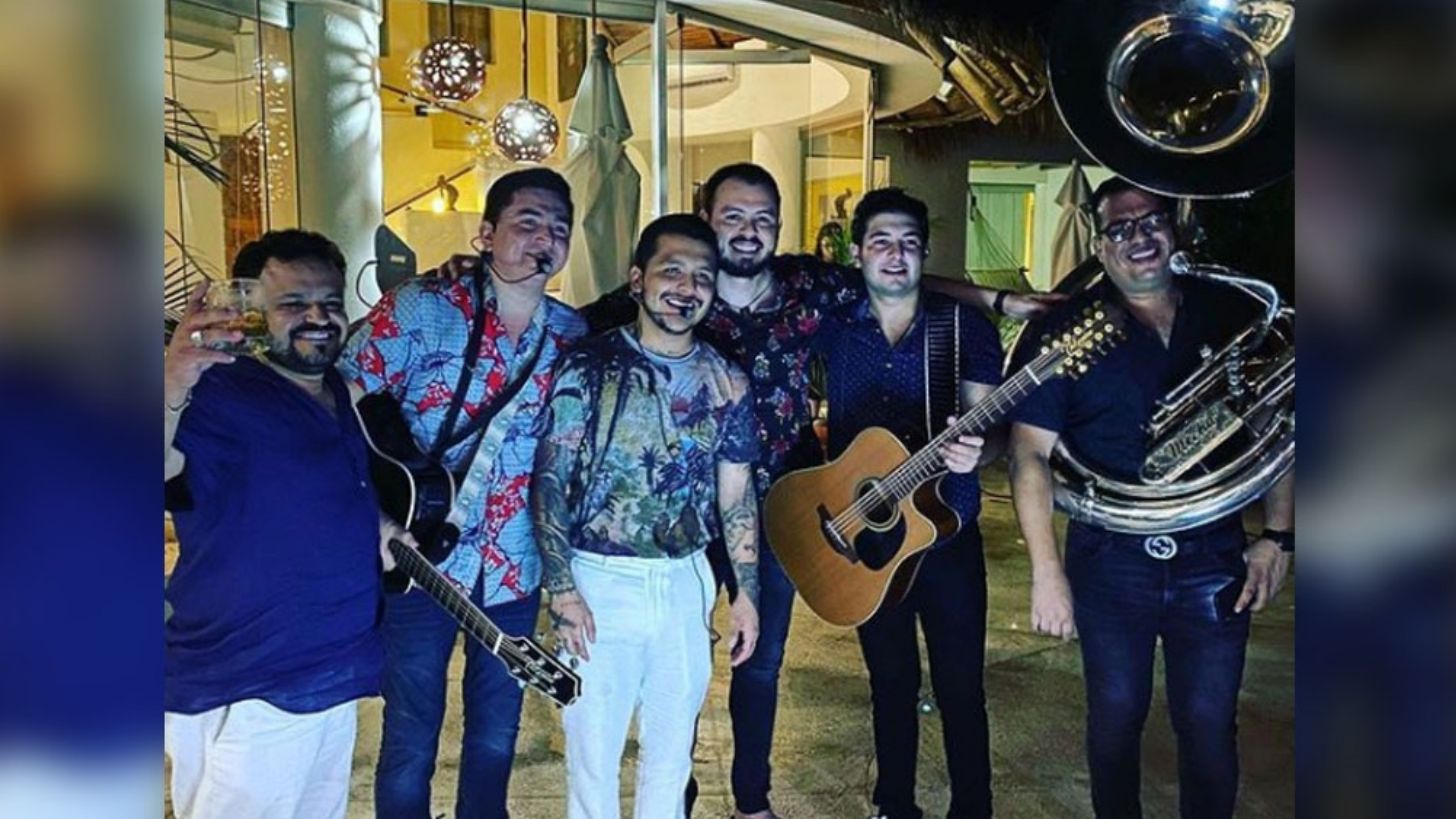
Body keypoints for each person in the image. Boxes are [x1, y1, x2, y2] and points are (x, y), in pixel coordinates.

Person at [443, 162, 1055, 819]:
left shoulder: (806, 289)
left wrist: (998, 301)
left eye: (763, 219)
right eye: (732, 216)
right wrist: (487, 275)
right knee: (661, 682)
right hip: (678, 518)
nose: (748, 230)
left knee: (758, 663)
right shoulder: (665, 290)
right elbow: (554, 318)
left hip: (785, 507)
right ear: (706, 220)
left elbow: (895, 271)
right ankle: (674, 802)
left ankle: (751, 803)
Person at [1008, 177, 1295, 819]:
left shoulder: (1228, 310)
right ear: (1100, 244)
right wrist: (1046, 573)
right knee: (1114, 720)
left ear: (1174, 227)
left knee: (1210, 725)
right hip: (1110, 561)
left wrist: (1278, 537)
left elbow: (1278, 431)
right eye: (1120, 227)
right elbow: (1028, 455)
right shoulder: (1065, 330)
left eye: (1151, 221)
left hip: (1214, 554)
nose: (1138, 237)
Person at [340, 167, 588, 819]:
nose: (545, 238)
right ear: (486, 233)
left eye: (559, 228)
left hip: (513, 566)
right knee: (410, 736)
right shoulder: (422, 308)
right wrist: (373, 516)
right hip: (417, 558)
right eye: (528, 222)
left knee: (497, 733)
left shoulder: (572, 335)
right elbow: (337, 402)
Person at [163, 229, 411, 819]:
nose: (318, 318)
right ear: (253, 312)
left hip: (329, 665)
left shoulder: (334, 392)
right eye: (293, 304)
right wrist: (171, 380)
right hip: (254, 676)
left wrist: (378, 527)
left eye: (329, 302)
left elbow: (328, 491)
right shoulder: (217, 387)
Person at [533, 214, 762, 819]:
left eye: (702, 277)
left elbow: (737, 497)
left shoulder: (728, 380)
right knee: (592, 757)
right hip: (598, 580)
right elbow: (550, 478)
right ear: (637, 280)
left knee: (671, 757)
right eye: (672, 271)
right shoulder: (589, 365)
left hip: (685, 581)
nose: (687, 288)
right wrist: (561, 588)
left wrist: (746, 594)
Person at [812, 188, 1005, 819]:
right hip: (867, 536)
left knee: (961, 687)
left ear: (925, 253)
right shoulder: (832, 324)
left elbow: (992, 429)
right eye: (881, 242)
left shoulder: (964, 327)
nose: (895, 256)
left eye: (909, 244)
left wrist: (978, 450)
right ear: (858, 253)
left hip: (948, 537)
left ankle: (973, 808)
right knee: (890, 684)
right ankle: (893, 805)